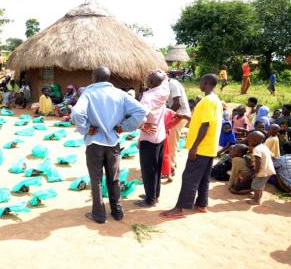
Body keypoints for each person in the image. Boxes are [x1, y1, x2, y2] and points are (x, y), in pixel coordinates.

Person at [71, 66, 147, 224]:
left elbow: (77, 112)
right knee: (114, 179)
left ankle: (99, 215)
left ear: (94, 78)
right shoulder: (120, 94)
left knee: (96, 180)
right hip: (113, 142)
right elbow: (141, 111)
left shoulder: (89, 94)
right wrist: (125, 126)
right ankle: (117, 211)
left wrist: (85, 128)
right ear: (108, 78)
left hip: (94, 143)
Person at [160, 74, 223, 219]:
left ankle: (179, 208)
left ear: (205, 83)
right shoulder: (215, 100)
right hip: (209, 147)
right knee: (203, 178)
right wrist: (185, 117)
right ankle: (201, 204)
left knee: (189, 177)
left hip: (201, 147)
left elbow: (205, 125)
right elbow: (203, 121)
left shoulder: (207, 101)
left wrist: (194, 147)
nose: (199, 84)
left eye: (200, 81)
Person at [135, 70, 170, 207]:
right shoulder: (163, 91)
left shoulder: (148, 97)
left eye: (149, 79)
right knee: (157, 168)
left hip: (149, 138)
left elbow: (140, 114)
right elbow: (164, 78)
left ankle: (150, 200)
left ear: (151, 83)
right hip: (160, 135)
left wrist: (141, 126)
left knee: (148, 170)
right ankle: (155, 194)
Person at [167, 74, 191, 176]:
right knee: (169, 140)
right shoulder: (165, 85)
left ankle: (171, 167)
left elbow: (177, 104)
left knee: (171, 141)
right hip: (175, 114)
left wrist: (166, 116)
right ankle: (171, 163)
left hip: (181, 115)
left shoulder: (173, 84)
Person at [247, 131, 276, 205]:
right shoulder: (264, 146)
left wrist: (255, 172)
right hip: (269, 170)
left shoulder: (256, 149)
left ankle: (256, 201)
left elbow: (258, 161)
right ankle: (258, 197)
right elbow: (273, 157)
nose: (248, 141)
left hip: (261, 171)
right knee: (261, 185)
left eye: (249, 140)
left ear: (255, 141)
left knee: (255, 186)